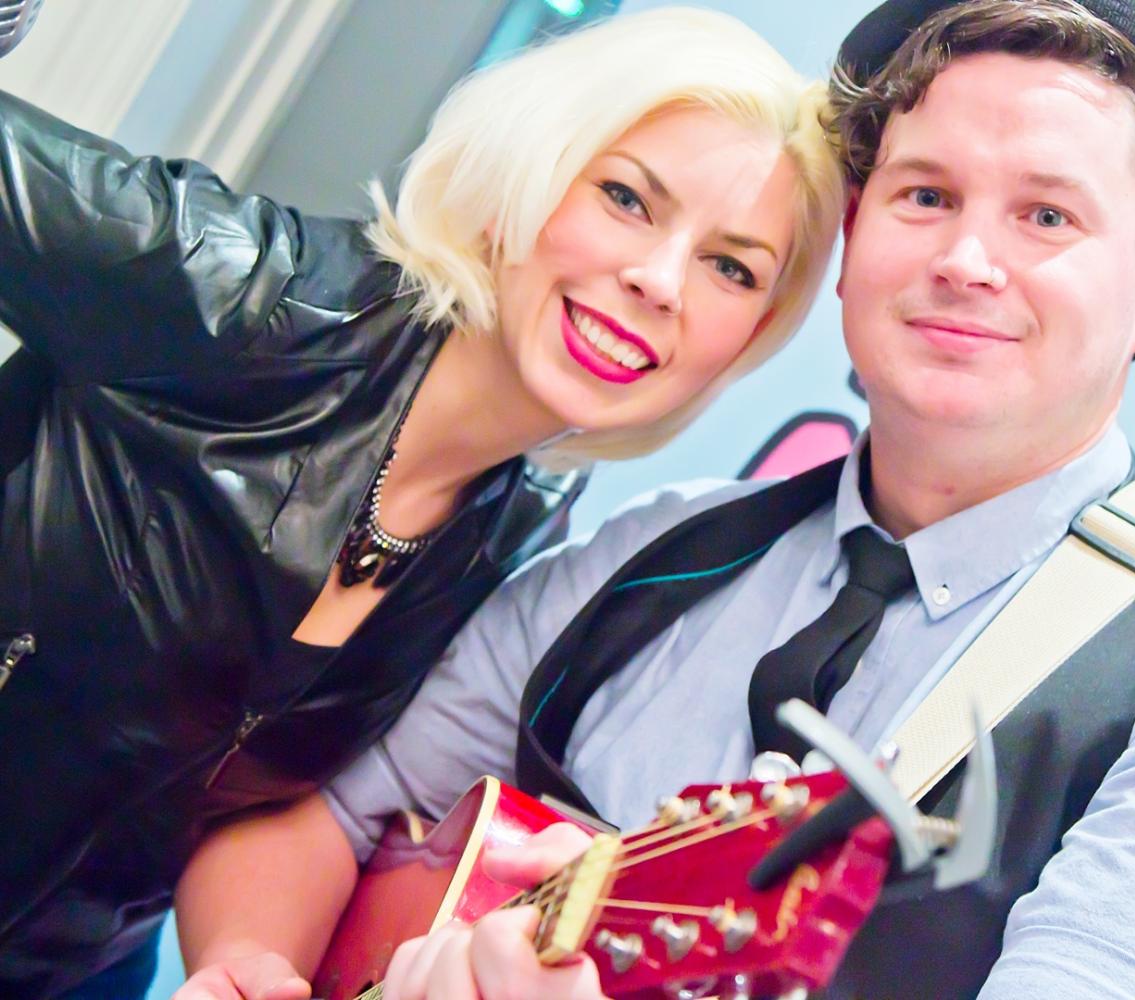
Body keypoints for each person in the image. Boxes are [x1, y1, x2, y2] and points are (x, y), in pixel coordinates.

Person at [170, 1, 1135, 998]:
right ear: (855, 237)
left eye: (1046, 216)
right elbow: (323, 813)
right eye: (925, 196)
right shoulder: (659, 547)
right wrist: (250, 963)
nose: (967, 259)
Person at [0, 7, 844, 998]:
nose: (660, 281)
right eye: (625, 198)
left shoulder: (524, 519)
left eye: (731, 267)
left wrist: (241, 960)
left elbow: (247, 793)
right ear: (526, 172)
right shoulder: (244, 295)